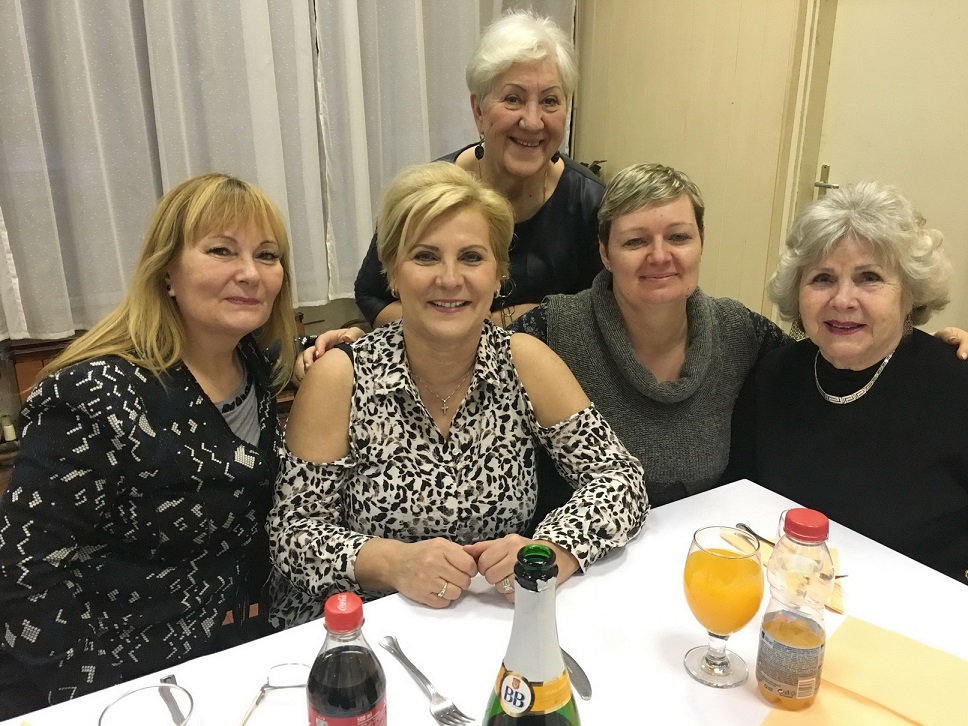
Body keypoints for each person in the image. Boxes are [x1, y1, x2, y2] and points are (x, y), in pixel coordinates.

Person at [269, 162, 646, 627]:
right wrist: (392, 563)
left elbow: (620, 477)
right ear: (393, 272)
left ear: (498, 273)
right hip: (365, 628)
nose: (449, 279)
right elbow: (292, 532)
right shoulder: (341, 377)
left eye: (471, 257)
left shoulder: (524, 361)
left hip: (490, 622)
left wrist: (551, 549)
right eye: (426, 256)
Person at [0, 173, 297, 716]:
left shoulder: (254, 362)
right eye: (221, 250)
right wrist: (90, 702)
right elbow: (26, 572)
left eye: (267, 255)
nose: (250, 273)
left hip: (222, 661)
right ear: (166, 272)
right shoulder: (94, 393)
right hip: (107, 680)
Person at [725, 181, 968, 584]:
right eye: (822, 278)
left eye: (869, 277)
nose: (842, 300)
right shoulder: (772, 375)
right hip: (784, 596)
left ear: (911, 291)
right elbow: (738, 502)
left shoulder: (956, 387)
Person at [354, 10, 603, 328]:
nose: (532, 121)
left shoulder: (590, 205)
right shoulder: (427, 195)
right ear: (478, 112)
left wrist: (511, 320)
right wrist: (468, 328)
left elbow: (601, 315)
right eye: (513, 99)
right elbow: (372, 296)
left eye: (550, 101)